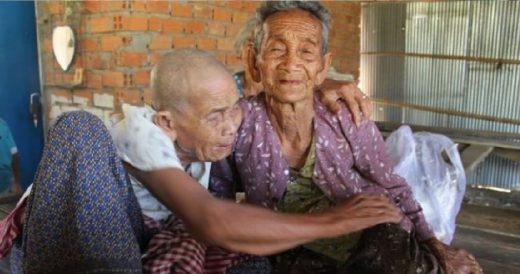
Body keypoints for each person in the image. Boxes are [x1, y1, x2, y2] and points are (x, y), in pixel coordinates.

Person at [0, 49, 401, 274]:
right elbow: (211, 219)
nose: (231, 126)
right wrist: (336, 221)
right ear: (166, 123)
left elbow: (264, 95)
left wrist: (324, 85)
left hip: (138, 240)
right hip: (62, 248)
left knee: (254, 261)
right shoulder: (141, 133)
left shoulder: (216, 127)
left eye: (233, 110)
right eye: (215, 116)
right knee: (78, 127)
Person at [210, 2, 483, 274]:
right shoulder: (238, 123)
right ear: (254, 62)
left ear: (323, 66)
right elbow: (216, 198)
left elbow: (392, 185)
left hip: (370, 237)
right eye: (276, 49)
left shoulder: (344, 114)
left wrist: (433, 244)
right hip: (289, 248)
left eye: (306, 51)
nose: (291, 62)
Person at [233, 17, 372, 127]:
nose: (291, 63)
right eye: (275, 48)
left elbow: (342, 84)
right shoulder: (227, 90)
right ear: (248, 54)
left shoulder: (318, 82)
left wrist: (319, 84)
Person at [0, 118, 21, 196]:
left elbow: (14, 153)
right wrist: (16, 182)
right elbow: (14, 153)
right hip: (5, 183)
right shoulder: (2, 124)